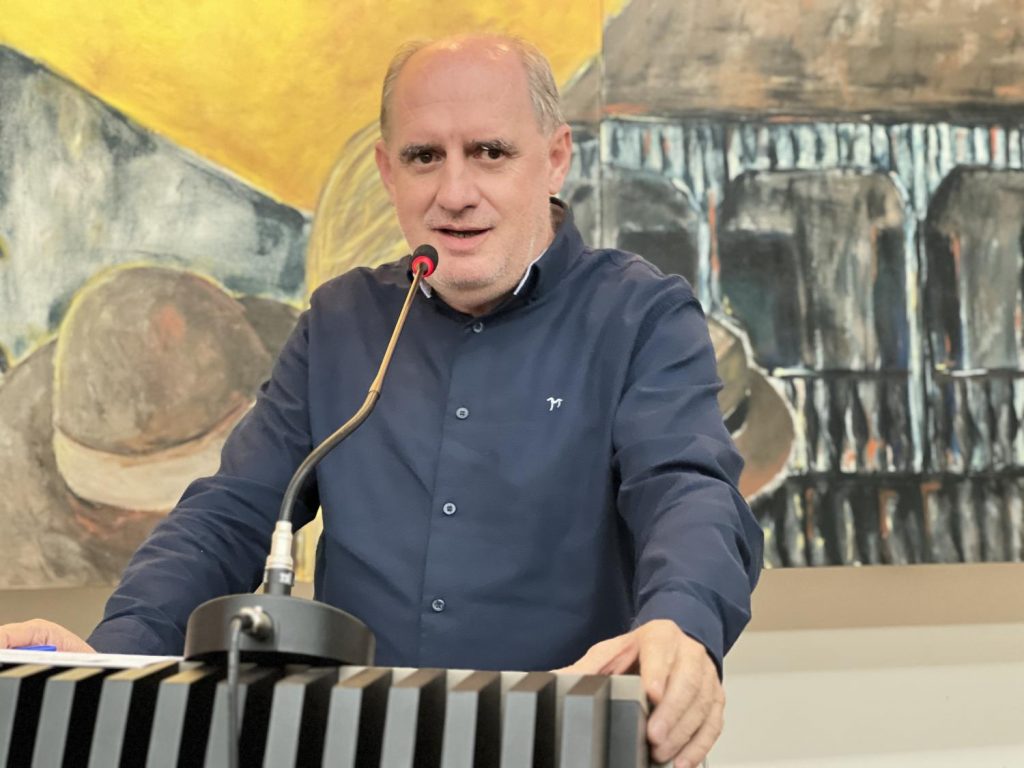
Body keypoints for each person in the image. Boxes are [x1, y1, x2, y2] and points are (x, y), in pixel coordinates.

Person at [0, 34, 763, 767]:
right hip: (363, 744)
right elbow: (229, 515)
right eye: (424, 157)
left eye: (490, 153)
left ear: (555, 158)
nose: (455, 194)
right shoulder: (341, 322)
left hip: (569, 740)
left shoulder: (641, 315)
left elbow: (688, 492)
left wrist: (681, 624)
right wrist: (111, 660)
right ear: (387, 171)